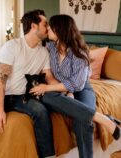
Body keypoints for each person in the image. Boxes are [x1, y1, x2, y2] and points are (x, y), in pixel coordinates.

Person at [30, 14, 121, 158]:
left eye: (51, 27)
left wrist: (51, 88)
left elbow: (76, 84)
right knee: (45, 97)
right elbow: (41, 64)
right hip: (60, 88)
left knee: (82, 121)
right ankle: (102, 118)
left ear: (60, 30)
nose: (48, 29)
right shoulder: (50, 48)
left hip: (82, 89)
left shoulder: (80, 52)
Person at [0, 10, 55, 158]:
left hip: (23, 97)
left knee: (41, 112)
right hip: (3, 94)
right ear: (34, 26)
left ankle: (48, 156)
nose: (48, 28)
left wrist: (65, 88)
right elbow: (0, 81)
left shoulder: (43, 52)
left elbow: (48, 77)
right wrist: (0, 111)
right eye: (45, 24)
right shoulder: (12, 46)